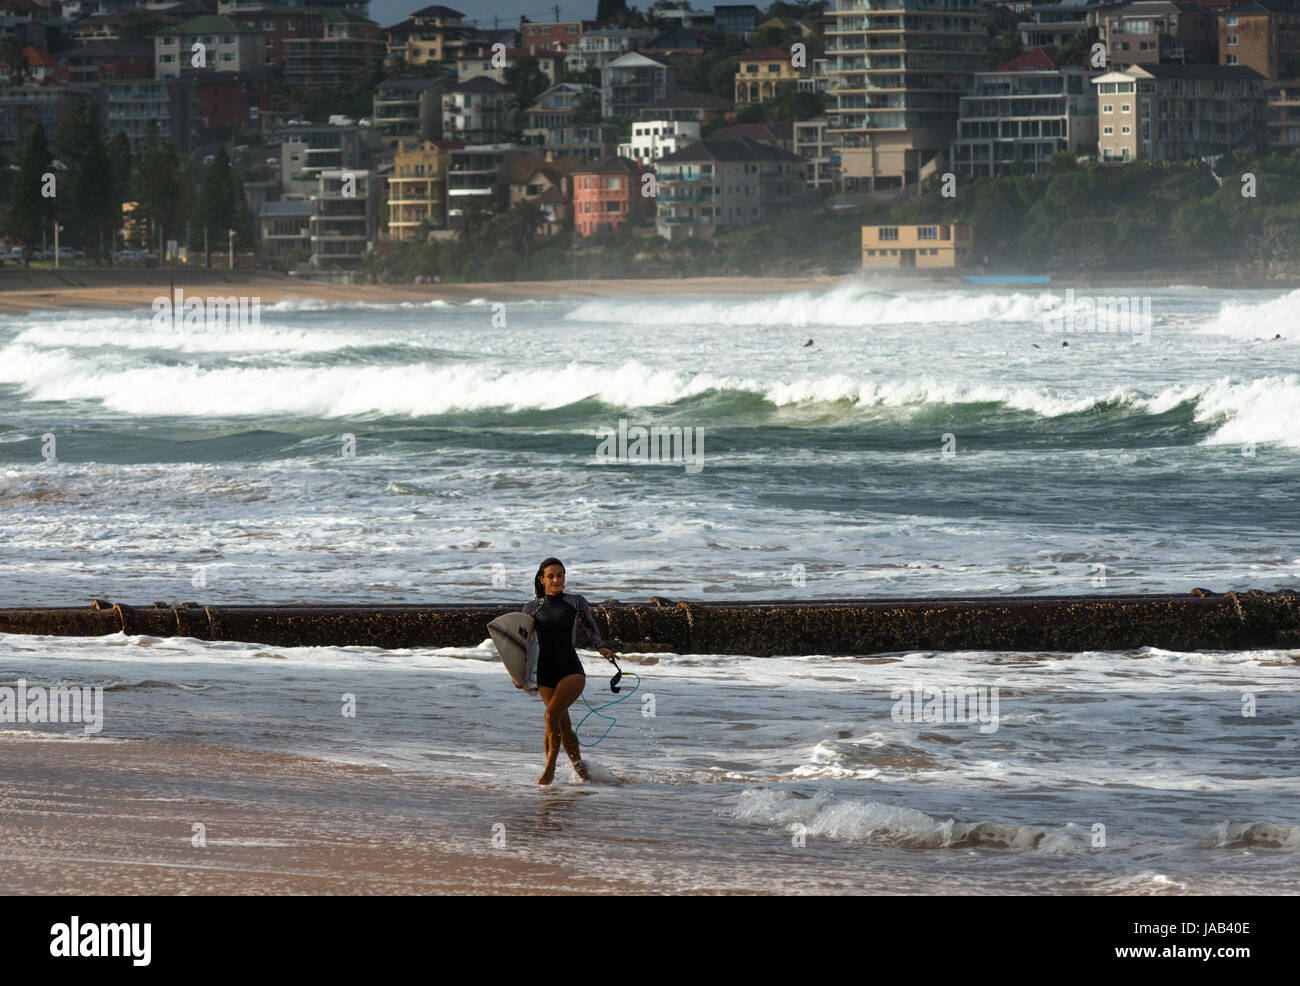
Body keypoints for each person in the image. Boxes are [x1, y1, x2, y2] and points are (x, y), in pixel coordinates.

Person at [521, 557, 617, 785]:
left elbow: (591, 626)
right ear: (542, 579)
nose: (556, 580)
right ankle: (582, 771)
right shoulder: (532, 608)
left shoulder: (576, 602)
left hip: (571, 669)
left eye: (560, 575)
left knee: (550, 715)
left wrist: (601, 646)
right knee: (562, 724)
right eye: (551, 576)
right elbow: (523, 645)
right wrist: (520, 675)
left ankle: (550, 768)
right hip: (545, 674)